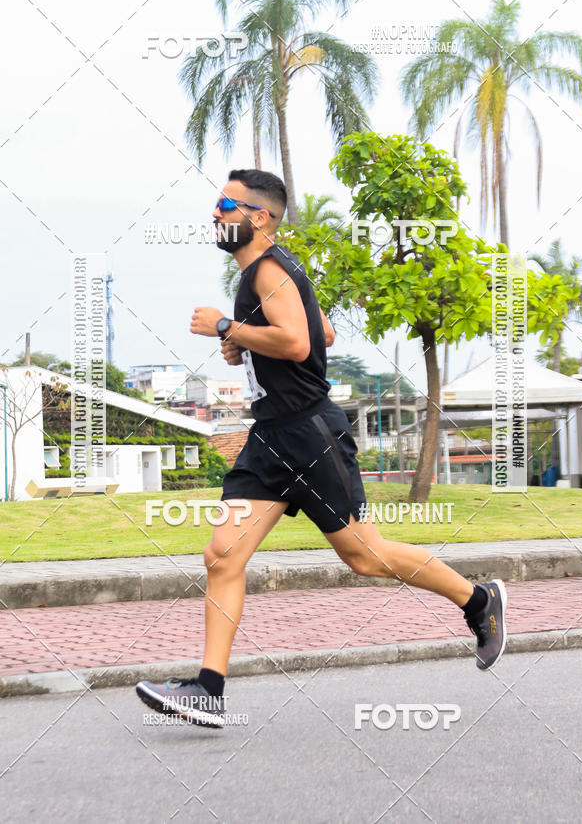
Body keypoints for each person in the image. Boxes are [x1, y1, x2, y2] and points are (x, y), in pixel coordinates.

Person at [136, 168, 507, 728]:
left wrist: (227, 327)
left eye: (226, 205)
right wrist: (247, 343)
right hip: (270, 438)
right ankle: (208, 690)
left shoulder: (268, 268)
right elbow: (323, 333)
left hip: (309, 435)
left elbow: (298, 341)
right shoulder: (269, 270)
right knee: (222, 555)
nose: (215, 214)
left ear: (259, 217)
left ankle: (479, 601)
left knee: (364, 556)